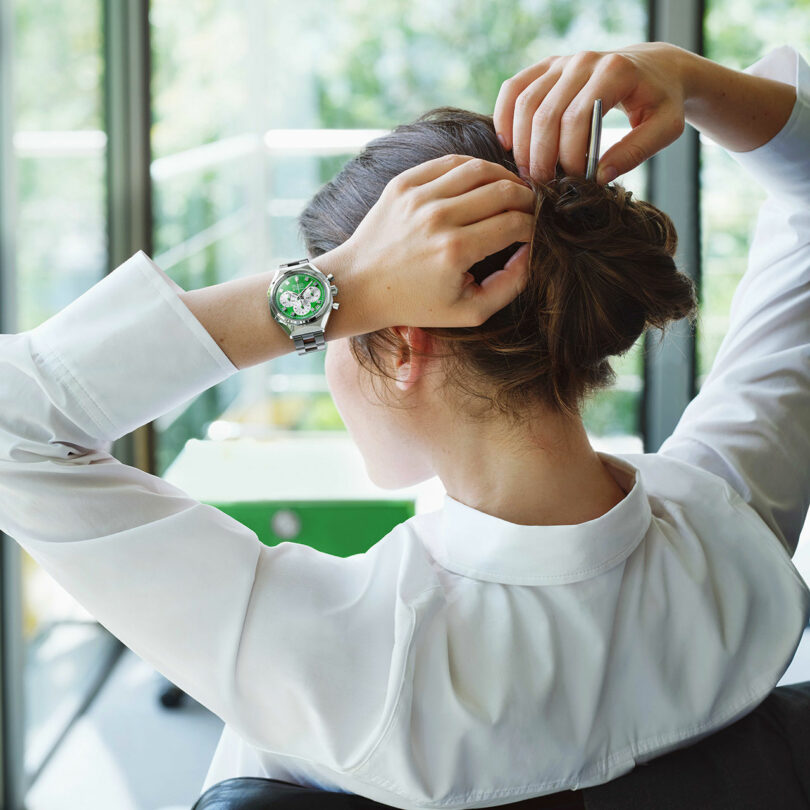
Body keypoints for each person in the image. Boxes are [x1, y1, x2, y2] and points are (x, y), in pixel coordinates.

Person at [0, 37, 808, 810]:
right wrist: (685, 77)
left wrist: (333, 284)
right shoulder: (735, 534)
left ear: (404, 346)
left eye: (334, 335)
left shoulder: (343, 665)